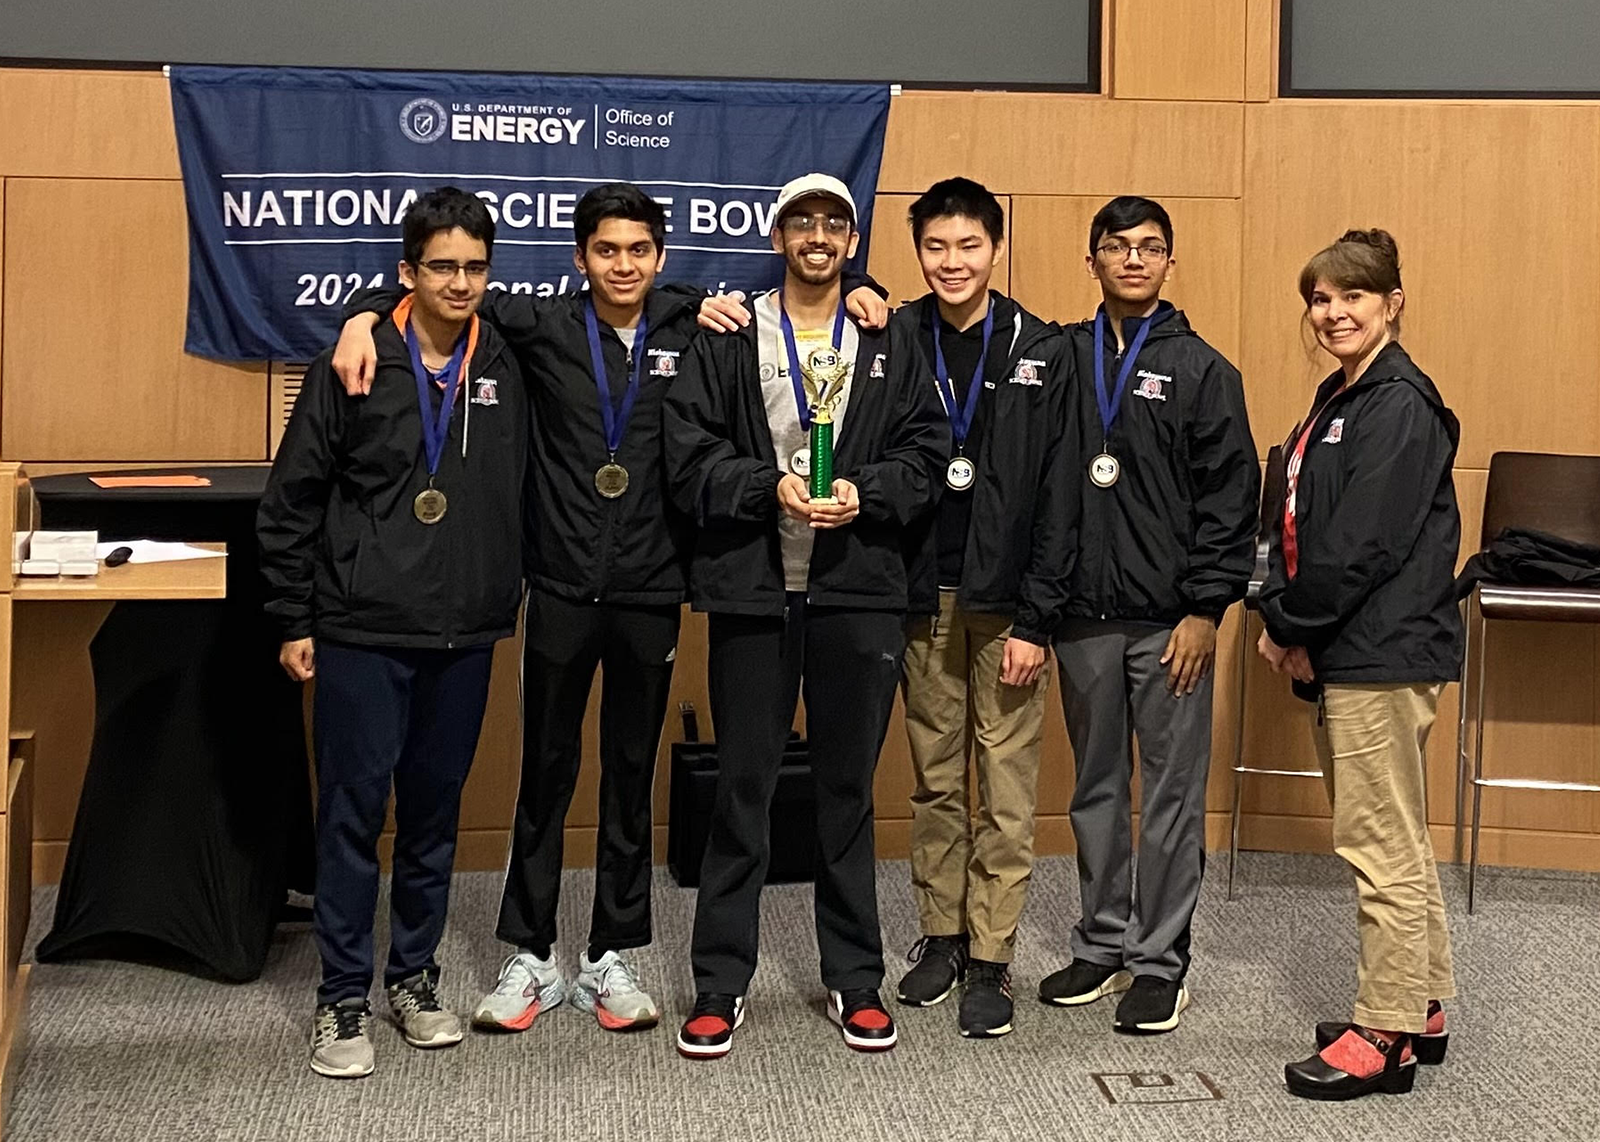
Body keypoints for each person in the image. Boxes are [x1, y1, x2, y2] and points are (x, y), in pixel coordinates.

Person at [330, 184, 887, 1036]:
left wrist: (863, 285)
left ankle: (611, 955)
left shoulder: (698, 324)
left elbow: (809, 284)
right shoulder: (542, 327)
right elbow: (440, 291)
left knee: (630, 775)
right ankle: (530, 952)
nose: (622, 266)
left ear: (661, 258)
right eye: (605, 251)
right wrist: (364, 314)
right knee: (545, 775)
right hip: (556, 586)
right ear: (580, 257)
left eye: (638, 251)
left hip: (652, 591)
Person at [663, 172, 948, 1059]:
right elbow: (690, 453)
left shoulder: (888, 333)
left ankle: (854, 978)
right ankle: (719, 982)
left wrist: (865, 492)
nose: (817, 236)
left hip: (856, 594)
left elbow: (927, 450)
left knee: (846, 795)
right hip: (753, 588)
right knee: (742, 791)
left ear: (850, 238)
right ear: (780, 234)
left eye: (834, 223)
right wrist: (767, 487)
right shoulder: (731, 330)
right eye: (802, 222)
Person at [259, 187, 527, 1078]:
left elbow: (635, 298)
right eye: (442, 266)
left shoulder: (512, 353)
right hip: (361, 628)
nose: (461, 282)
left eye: (476, 267)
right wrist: (294, 617)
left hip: (464, 631)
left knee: (432, 817)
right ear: (407, 272)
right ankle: (342, 998)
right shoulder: (357, 358)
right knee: (350, 814)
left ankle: (411, 977)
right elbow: (292, 497)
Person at [1040, 196, 1259, 1034]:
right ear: (1090, 258)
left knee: (1169, 795)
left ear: (1171, 262)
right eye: (1117, 246)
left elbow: (1229, 504)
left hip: (1174, 628)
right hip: (1083, 620)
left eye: (1151, 247)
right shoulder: (1062, 357)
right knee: (1095, 790)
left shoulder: (1205, 370)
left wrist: (1208, 610)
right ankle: (1101, 941)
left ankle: (1161, 960)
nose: (1134, 259)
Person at [1257, 229, 1461, 1101]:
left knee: (1375, 844)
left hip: (1379, 650)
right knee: (1399, 837)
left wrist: (1288, 624)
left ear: (1392, 303)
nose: (1333, 313)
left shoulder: (1400, 403)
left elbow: (1360, 546)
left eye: (1353, 297)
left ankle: (1386, 1033)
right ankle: (1423, 1002)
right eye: (1320, 298)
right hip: (1354, 644)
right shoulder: (1342, 394)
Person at [889, 178, 1075, 1039]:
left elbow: (1061, 493)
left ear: (995, 248)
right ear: (918, 250)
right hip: (922, 593)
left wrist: (1038, 618)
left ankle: (993, 955)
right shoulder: (891, 335)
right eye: (936, 247)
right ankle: (941, 935)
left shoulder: (1041, 348)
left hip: (1007, 606)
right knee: (935, 781)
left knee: (1004, 785)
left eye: (968, 246)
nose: (951, 262)